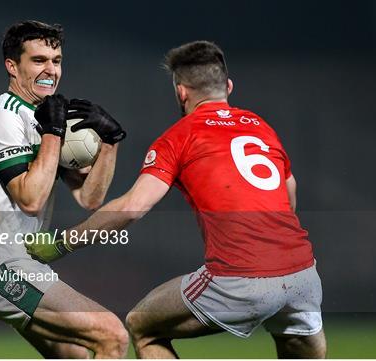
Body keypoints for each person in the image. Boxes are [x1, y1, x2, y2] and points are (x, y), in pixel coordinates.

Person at [26, 40, 327, 358]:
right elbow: (289, 195)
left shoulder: (179, 137)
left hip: (240, 276)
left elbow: (133, 208)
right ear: (227, 86)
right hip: (303, 275)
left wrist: (63, 243)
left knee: (142, 325)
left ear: (181, 92)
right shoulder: (261, 128)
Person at [0, 20, 129, 358]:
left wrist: (111, 143)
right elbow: (30, 198)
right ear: (12, 66)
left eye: (56, 60)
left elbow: (90, 197)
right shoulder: (0, 117)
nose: (50, 70)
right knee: (112, 334)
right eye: (38, 60)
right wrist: (52, 132)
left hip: (24, 264)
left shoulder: (46, 117)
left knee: (81, 353)